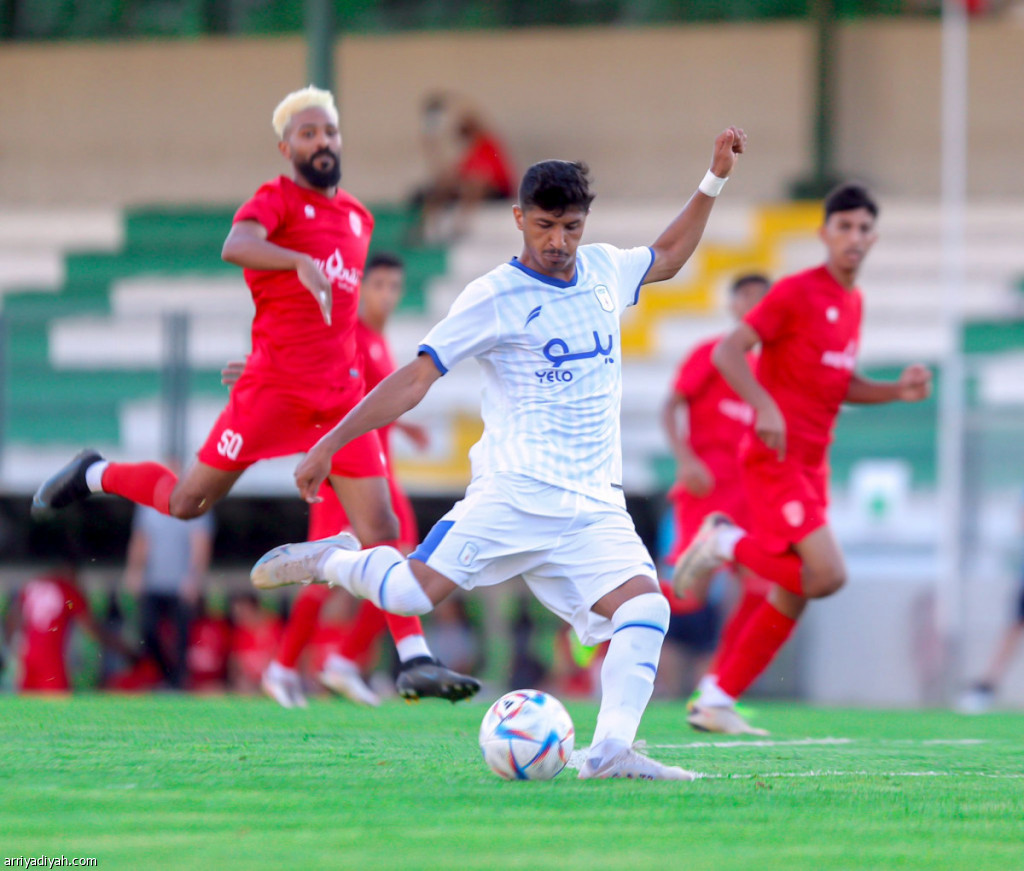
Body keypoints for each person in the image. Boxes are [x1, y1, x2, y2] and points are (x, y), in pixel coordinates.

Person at [251, 126, 748, 781]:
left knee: (647, 607)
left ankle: (610, 751)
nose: (558, 241)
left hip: (594, 505)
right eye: (544, 226)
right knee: (407, 594)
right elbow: (415, 378)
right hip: (515, 494)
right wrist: (331, 440)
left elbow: (669, 255)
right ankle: (333, 559)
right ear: (518, 218)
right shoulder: (493, 295)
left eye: (570, 227)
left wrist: (714, 179)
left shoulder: (604, 269)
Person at [30, 85, 475, 704]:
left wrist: (292, 350)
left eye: (329, 131)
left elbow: (333, 320)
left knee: (382, 524)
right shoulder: (276, 200)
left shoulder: (359, 218)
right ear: (287, 148)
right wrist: (294, 263)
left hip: (336, 399)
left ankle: (414, 659)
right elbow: (234, 245)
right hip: (272, 395)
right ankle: (95, 472)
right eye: (308, 134)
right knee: (187, 502)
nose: (322, 142)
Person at [673, 183, 933, 734]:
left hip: (813, 464)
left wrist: (895, 391)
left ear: (874, 238)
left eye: (864, 229)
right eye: (845, 227)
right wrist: (764, 405)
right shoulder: (795, 292)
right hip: (776, 458)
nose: (854, 237)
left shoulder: (853, 303)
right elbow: (728, 352)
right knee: (827, 575)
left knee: (796, 590)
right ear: (824, 233)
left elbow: (839, 382)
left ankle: (716, 698)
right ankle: (723, 541)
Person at [247, 253, 478, 707]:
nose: (387, 295)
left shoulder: (375, 340)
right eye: (379, 286)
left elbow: (371, 401)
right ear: (362, 288)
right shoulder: (348, 335)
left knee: (395, 561)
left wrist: (404, 428)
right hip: (349, 472)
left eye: (394, 286)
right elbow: (323, 391)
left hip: (379, 468)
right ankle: (287, 667)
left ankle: (344, 661)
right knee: (336, 562)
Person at [660, 274, 772, 703]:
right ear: (733, 305)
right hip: (708, 492)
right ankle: (611, 617)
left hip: (751, 496)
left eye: (764, 298)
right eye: (747, 296)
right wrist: (686, 459)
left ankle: (717, 690)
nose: (755, 304)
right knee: (689, 595)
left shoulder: (772, 368)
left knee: (758, 589)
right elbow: (670, 406)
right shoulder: (710, 354)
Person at [4, 558, 135, 692]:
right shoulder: (67, 590)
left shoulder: (32, 586)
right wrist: (125, 650)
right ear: (71, 572)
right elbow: (91, 629)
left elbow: (13, 617)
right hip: (51, 659)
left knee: (28, 702)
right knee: (58, 703)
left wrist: (10, 648)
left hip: (27, 657)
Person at [123, 501, 215, 689]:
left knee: (181, 637)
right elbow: (140, 538)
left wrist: (194, 577)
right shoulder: (147, 503)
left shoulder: (196, 500)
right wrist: (134, 570)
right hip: (152, 583)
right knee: (148, 630)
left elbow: (201, 541)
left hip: (180, 586)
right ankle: (163, 678)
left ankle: (178, 684)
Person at [414, 93, 515, 243]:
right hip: (475, 189)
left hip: (499, 191)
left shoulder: (487, 144)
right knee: (443, 185)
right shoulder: (470, 154)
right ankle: (426, 228)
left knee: (475, 184)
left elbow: (483, 178)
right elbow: (450, 174)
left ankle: (461, 227)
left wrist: (453, 101)